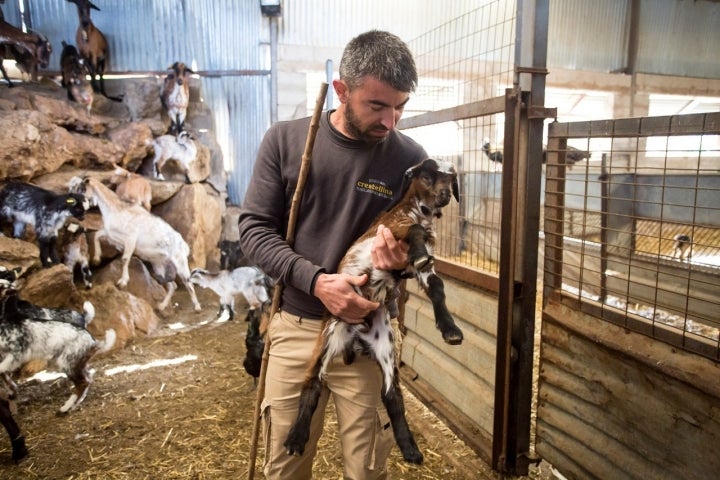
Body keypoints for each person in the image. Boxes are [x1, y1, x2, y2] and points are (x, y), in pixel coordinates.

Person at [238, 30, 428, 480]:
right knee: (285, 465)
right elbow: (254, 230)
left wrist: (400, 265)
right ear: (341, 90)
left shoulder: (410, 159)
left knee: (367, 469)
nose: (391, 121)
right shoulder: (286, 141)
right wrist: (318, 282)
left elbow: (414, 246)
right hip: (296, 325)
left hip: (366, 330)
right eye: (377, 106)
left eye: (400, 106)